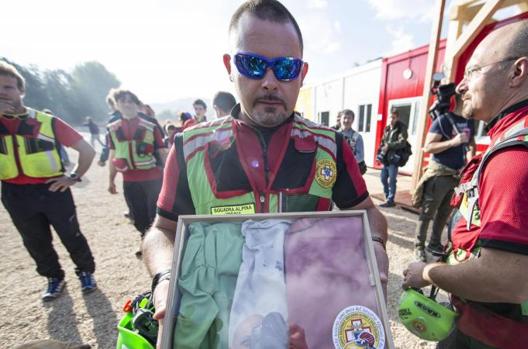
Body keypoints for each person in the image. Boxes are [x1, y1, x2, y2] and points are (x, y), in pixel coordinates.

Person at [141, 1, 389, 347]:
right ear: (230, 66)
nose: (271, 82)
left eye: (286, 68)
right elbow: (162, 231)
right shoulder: (189, 148)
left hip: (307, 320)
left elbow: (367, 213)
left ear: (302, 74)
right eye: (254, 64)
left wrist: (375, 243)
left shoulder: (331, 146)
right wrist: (166, 279)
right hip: (221, 327)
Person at [402, 19, 528, 349]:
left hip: (494, 334)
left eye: (473, 71)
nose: (461, 86)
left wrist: (427, 272)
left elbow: (506, 280)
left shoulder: (521, 156)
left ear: (517, 72)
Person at [0, 61, 97, 301]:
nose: (2, 92)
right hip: (14, 192)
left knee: (70, 233)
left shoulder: (45, 121)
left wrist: (72, 177)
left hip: (51, 188)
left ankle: (86, 272)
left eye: (8, 87)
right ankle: (54, 277)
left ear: (21, 90)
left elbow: (86, 150)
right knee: (34, 239)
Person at [411, 94, 475, 261]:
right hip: (440, 174)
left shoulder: (469, 121)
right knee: (427, 213)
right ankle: (419, 247)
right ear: (462, 99)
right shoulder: (443, 120)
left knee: (444, 214)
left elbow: (471, 144)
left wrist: (469, 165)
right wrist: (452, 142)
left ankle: (434, 244)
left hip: (456, 176)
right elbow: (428, 147)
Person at [106, 89, 168, 256]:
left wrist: (170, 175)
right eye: (122, 101)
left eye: (130, 101)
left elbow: (162, 152)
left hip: (153, 178)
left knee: (153, 213)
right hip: (129, 180)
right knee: (137, 215)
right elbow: (113, 155)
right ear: (117, 105)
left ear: (136, 104)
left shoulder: (151, 125)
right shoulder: (113, 129)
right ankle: (145, 240)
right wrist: (111, 180)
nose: (127, 104)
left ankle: (158, 244)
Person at [378, 110, 408, 207]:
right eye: (390, 117)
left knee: (392, 180)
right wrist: (379, 153)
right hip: (385, 158)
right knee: (383, 178)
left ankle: (390, 200)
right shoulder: (387, 128)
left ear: (397, 118)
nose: (391, 119)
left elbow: (402, 142)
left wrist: (389, 145)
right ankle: (387, 197)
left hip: (394, 159)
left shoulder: (401, 128)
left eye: (394, 117)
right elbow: (383, 142)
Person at [340, 109, 366, 174]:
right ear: (340, 119)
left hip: (351, 170)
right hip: (337, 168)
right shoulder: (335, 134)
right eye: (344, 118)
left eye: (349, 118)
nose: (346, 120)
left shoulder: (357, 137)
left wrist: (347, 162)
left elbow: (360, 156)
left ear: (353, 120)